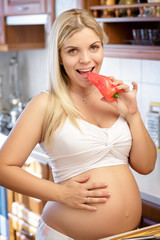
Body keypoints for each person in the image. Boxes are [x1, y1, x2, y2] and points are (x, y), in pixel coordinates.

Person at [0, 8, 157, 240]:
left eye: (94, 47)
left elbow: (146, 165)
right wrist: (61, 194)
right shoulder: (45, 104)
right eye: (73, 51)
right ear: (60, 57)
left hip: (127, 235)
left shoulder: (115, 97)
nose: (86, 60)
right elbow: (4, 168)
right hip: (65, 235)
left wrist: (133, 115)